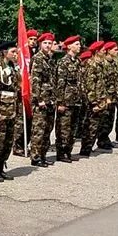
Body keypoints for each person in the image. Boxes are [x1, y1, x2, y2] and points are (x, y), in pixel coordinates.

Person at [0, 41, 20, 181]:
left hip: (11, 110)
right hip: (1, 110)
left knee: (7, 141)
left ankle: (1, 168)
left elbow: (16, 88)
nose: (15, 54)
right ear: (4, 52)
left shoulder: (13, 67)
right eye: (13, 51)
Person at [79, 41, 111, 157]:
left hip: (101, 99)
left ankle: (89, 147)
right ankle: (85, 149)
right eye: (103, 50)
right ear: (97, 52)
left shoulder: (100, 65)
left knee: (97, 125)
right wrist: (93, 102)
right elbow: (90, 85)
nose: (104, 51)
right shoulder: (92, 65)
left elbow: (102, 83)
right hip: (94, 101)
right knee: (91, 126)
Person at [54, 36, 83, 163]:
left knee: (73, 127)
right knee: (63, 127)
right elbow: (60, 83)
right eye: (77, 44)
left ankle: (68, 150)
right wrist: (60, 102)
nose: (79, 46)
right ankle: (61, 152)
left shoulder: (77, 61)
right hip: (66, 100)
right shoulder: (63, 62)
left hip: (76, 100)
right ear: (69, 46)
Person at [29, 32, 56, 167]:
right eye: (45, 43)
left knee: (47, 129)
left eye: (49, 43)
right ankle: (35, 156)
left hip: (50, 100)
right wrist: (38, 99)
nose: (47, 45)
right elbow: (35, 81)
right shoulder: (38, 59)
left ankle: (43, 155)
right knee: (39, 129)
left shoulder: (50, 59)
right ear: (40, 44)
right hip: (41, 101)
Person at [97, 41, 118, 150]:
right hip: (106, 97)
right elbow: (102, 82)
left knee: (110, 119)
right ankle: (101, 140)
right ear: (109, 51)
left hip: (113, 95)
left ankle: (106, 138)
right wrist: (105, 97)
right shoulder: (104, 63)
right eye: (115, 50)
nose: (117, 51)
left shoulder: (114, 63)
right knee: (104, 120)